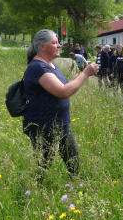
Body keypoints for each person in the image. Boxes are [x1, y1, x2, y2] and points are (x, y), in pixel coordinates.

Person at [23, 29, 99, 181]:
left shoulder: (49, 65)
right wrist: (85, 74)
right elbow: (63, 91)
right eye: (55, 42)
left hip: (59, 124)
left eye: (58, 42)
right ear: (42, 47)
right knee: (43, 166)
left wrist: (83, 73)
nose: (59, 45)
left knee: (73, 161)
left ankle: (80, 191)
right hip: (42, 126)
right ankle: (27, 195)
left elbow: (66, 85)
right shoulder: (37, 67)